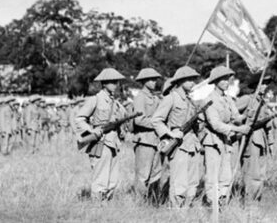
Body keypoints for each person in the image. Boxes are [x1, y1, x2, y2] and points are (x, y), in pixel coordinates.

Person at [152, 66, 203, 208]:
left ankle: (186, 209)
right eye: (190, 79)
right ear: (181, 81)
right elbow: (156, 120)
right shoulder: (171, 98)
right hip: (178, 145)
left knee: (193, 182)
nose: (193, 82)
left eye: (194, 79)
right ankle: (176, 212)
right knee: (179, 182)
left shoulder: (190, 101)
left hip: (192, 143)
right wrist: (170, 133)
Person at [75, 68, 127, 201]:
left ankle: (106, 206)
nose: (116, 84)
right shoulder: (95, 99)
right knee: (101, 179)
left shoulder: (115, 103)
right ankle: (97, 208)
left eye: (117, 82)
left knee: (112, 180)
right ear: (104, 83)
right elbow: (79, 118)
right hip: (101, 142)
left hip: (114, 143)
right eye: (113, 82)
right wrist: (91, 130)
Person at [200, 66, 248, 207]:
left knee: (226, 174)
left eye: (228, 79)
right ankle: (211, 204)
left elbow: (236, 117)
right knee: (213, 175)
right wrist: (238, 129)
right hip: (213, 141)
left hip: (226, 142)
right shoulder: (209, 100)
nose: (227, 82)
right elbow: (215, 124)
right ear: (215, 81)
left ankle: (222, 201)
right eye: (223, 79)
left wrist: (247, 115)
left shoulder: (228, 99)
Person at [236, 84, 276, 202]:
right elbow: (231, 115)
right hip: (250, 141)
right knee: (251, 173)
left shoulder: (263, 102)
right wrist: (242, 125)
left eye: (266, 84)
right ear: (256, 85)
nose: (264, 86)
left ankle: (256, 199)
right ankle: (249, 201)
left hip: (262, 141)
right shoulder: (247, 99)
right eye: (262, 83)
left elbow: (268, 125)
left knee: (260, 174)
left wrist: (271, 143)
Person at [131, 67, 163, 200]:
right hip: (144, 140)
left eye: (155, 79)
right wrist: (157, 124)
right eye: (151, 79)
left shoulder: (155, 98)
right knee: (143, 175)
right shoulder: (140, 98)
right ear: (144, 81)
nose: (154, 81)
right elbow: (138, 120)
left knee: (156, 173)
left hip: (155, 140)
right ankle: (139, 203)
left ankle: (152, 201)